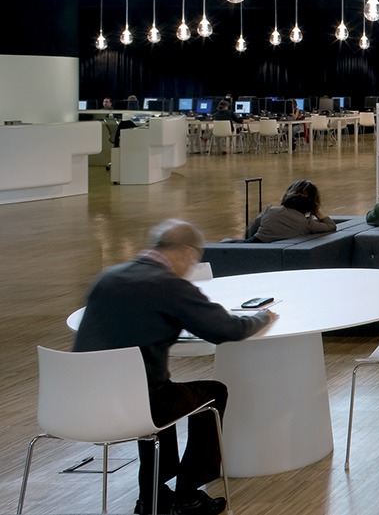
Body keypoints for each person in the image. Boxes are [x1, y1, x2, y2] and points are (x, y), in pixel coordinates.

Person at [73, 220, 277, 515]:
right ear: (186, 252)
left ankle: (151, 498)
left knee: (161, 393)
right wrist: (262, 317)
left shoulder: (108, 277)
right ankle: (187, 496)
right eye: (193, 261)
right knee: (212, 393)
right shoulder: (170, 286)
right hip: (140, 403)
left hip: (83, 402)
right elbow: (225, 330)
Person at [245, 179, 337, 242]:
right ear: (311, 204)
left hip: (249, 247)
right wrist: (316, 210)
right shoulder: (307, 224)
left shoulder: (270, 211)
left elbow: (250, 232)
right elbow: (331, 226)